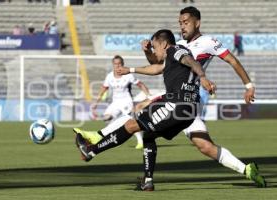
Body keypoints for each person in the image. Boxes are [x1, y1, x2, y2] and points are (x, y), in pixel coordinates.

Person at [75, 7, 266, 190]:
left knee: (137, 122)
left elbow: (231, 60)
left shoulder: (208, 42)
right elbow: (158, 65)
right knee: (198, 144)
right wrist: (135, 65)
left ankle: (93, 148)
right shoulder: (178, 46)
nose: (182, 26)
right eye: (180, 23)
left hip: (180, 101)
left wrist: (248, 86)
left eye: (186, 22)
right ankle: (246, 169)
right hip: (185, 105)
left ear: (197, 23)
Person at [75, 29, 216, 190]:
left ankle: (91, 150)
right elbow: (156, 67)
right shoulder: (172, 56)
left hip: (175, 103)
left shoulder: (174, 51)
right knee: (148, 135)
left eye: (155, 47)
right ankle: (147, 181)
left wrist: (203, 77)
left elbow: (192, 62)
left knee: (131, 125)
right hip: (189, 111)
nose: (154, 51)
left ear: (164, 44)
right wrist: (131, 69)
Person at [79, 55, 151, 149]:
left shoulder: (128, 75)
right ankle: (113, 137)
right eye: (115, 64)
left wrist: (148, 95)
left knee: (132, 121)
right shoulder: (109, 76)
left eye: (119, 64)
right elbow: (103, 89)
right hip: (115, 102)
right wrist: (96, 103)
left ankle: (140, 141)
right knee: (106, 117)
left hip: (127, 101)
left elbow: (140, 84)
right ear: (113, 65)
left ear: (123, 64)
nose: (117, 66)